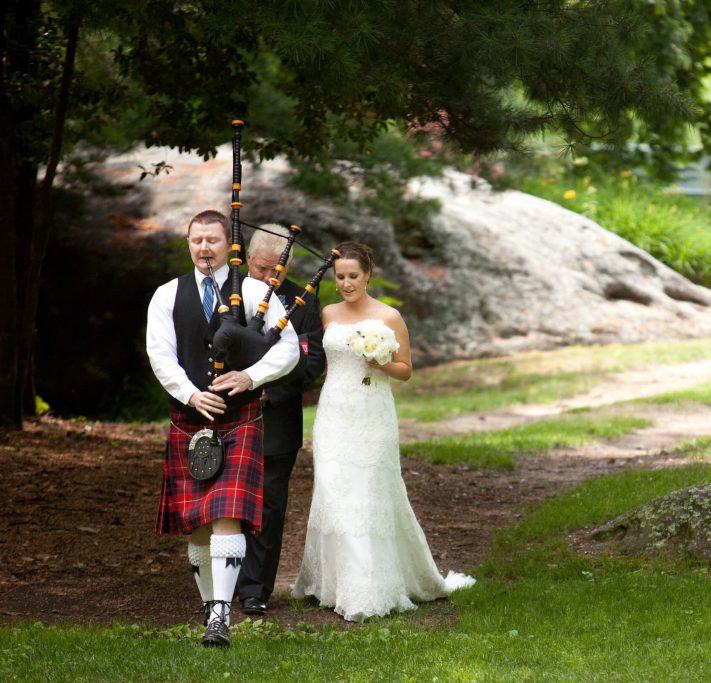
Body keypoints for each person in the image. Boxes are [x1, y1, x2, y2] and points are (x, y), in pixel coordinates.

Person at [291, 241, 474, 621]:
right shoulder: (326, 313)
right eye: (340, 277)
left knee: (368, 493)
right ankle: (334, 583)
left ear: (368, 274)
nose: (345, 284)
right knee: (334, 491)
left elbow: (406, 369)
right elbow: (322, 362)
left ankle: (371, 586)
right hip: (334, 411)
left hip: (372, 413)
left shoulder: (389, 317)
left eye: (353, 276)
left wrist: (381, 361)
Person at [146, 210, 299, 648]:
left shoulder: (252, 290)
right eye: (197, 241)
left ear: (226, 244)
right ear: (189, 243)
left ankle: (220, 618)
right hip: (189, 419)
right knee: (197, 523)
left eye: (212, 239)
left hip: (240, 418)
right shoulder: (166, 295)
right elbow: (160, 356)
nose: (204, 248)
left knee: (225, 517)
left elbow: (287, 350)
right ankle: (211, 604)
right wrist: (191, 394)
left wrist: (251, 377)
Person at [235, 225, 325, 616]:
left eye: (279, 273)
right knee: (227, 504)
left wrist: (269, 392)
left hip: (277, 420)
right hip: (227, 417)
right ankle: (224, 581)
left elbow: (312, 361)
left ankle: (255, 589)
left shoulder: (302, 302)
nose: (270, 279)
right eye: (262, 269)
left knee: (269, 506)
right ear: (248, 258)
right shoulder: (229, 294)